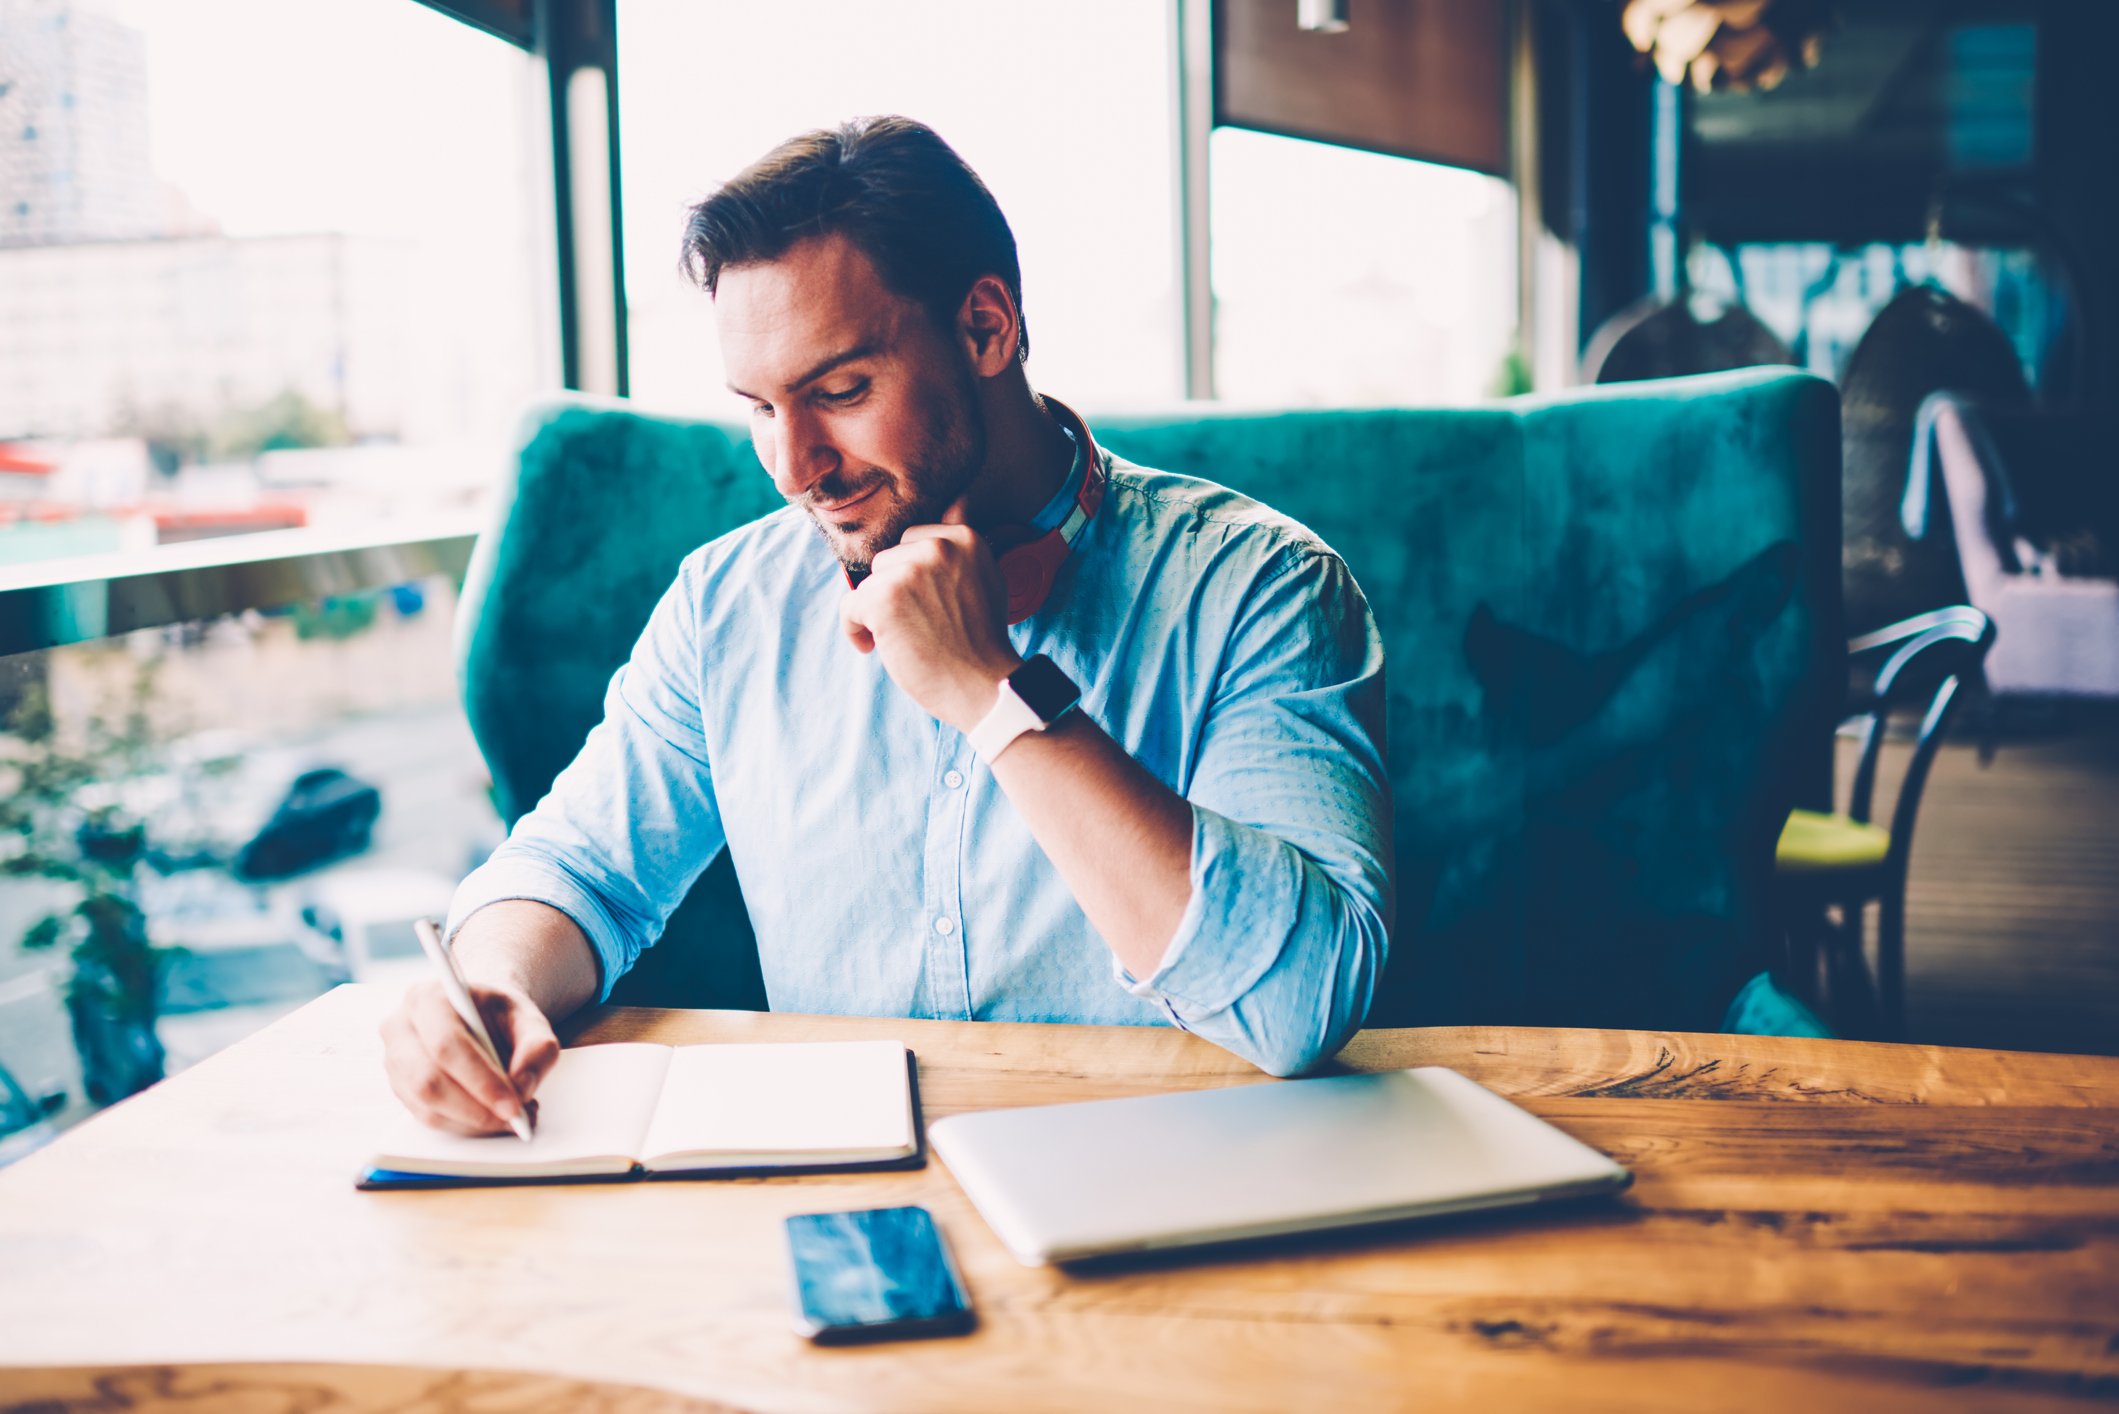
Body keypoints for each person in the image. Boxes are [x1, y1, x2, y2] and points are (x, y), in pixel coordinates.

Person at [381, 116, 1392, 1136]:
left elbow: (1297, 1004)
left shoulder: (1265, 586)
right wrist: (489, 982)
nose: (795, 466)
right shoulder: (726, 606)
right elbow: (580, 867)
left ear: (987, 328)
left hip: (1175, 1194)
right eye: (761, 408)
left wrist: (994, 696)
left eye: (840, 391)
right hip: (841, 1203)